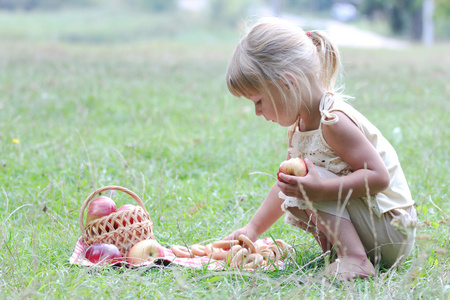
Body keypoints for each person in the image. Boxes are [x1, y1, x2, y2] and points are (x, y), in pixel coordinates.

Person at [224, 17, 417, 280]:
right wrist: (252, 229)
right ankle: (341, 252)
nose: (257, 112)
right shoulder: (301, 125)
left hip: (391, 230)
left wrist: (320, 189)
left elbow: (379, 178)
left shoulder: (333, 122)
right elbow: (283, 185)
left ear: (287, 83)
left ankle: (355, 258)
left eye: (258, 101)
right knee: (299, 183)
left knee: (307, 183)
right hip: (373, 227)